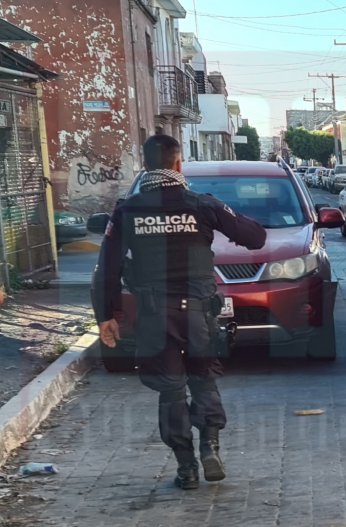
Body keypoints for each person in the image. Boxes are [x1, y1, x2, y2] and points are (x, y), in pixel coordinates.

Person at [91, 135, 267, 490]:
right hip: (199, 313)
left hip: (156, 316)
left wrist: (105, 315)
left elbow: (107, 267)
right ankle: (210, 446)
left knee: (171, 390)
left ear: (145, 165)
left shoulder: (128, 210)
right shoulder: (202, 204)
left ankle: (186, 468)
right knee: (203, 379)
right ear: (178, 164)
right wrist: (225, 215)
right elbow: (255, 238)